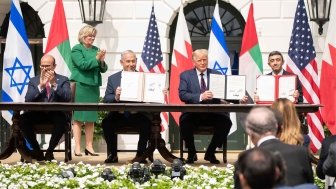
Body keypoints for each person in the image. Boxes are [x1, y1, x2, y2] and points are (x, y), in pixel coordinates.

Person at [178, 49, 248, 164]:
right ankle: (191, 153)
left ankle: (210, 152)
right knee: (184, 123)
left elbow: (225, 94)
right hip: (193, 113)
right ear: (193, 61)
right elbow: (183, 94)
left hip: (213, 113)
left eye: (204, 60)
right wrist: (201, 96)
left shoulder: (216, 74)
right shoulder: (185, 75)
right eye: (199, 60)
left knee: (226, 122)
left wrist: (238, 99)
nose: (202, 63)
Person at [237, 107, 314, 187]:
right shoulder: (301, 152)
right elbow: (310, 183)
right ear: (277, 127)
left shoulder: (245, 158)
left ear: (250, 133)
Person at [102, 50, 151, 163]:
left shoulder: (144, 77)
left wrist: (158, 93)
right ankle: (113, 154)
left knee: (147, 123)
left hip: (138, 114)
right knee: (106, 123)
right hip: (119, 114)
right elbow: (106, 99)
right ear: (121, 62)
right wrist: (116, 97)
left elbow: (150, 97)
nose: (131, 64)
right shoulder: (113, 78)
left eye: (133, 61)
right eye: (128, 61)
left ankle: (140, 155)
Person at [19, 54, 72, 161]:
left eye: (47, 66)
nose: (44, 68)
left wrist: (54, 84)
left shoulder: (63, 80)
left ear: (54, 66)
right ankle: (37, 151)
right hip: (37, 114)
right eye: (42, 66)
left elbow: (67, 97)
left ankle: (49, 152)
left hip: (56, 114)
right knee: (22, 120)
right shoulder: (34, 81)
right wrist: (41, 86)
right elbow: (28, 99)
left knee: (61, 120)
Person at [70, 25, 108, 156]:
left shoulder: (96, 50)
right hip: (80, 85)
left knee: (91, 118)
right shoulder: (76, 49)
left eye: (93, 36)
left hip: (93, 86)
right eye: (89, 35)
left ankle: (89, 146)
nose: (91, 38)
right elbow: (83, 65)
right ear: (82, 36)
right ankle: (78, 147)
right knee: (78, 118)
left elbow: (103, 69)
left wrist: (102, 61)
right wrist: (97, 59)